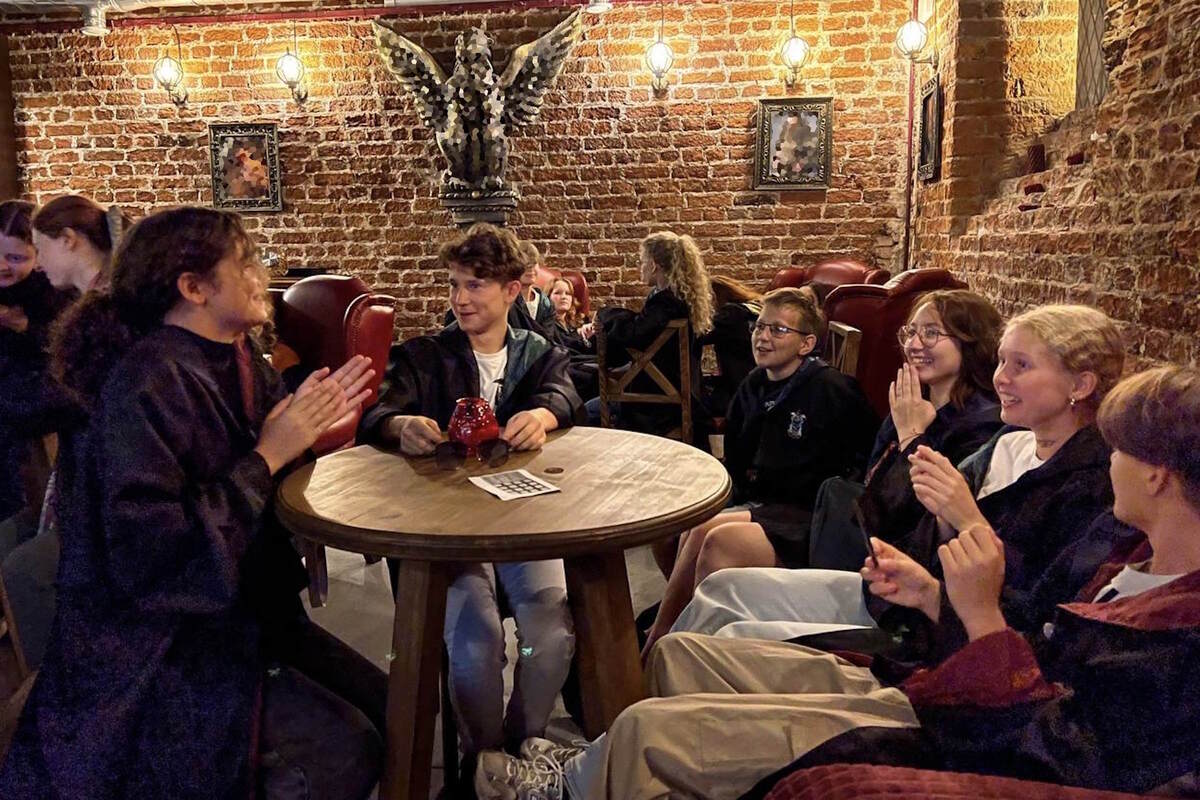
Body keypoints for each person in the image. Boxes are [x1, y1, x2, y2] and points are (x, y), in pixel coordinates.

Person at [475, 365, 1200, 800]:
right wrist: (932, 593)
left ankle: (578, 783)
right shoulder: (1124, 558)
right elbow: (886, 510)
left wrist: (974, 610)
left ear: (1158, 476)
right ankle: (603, 768)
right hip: (936, 673)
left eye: (1121, 449)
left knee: (651, 722)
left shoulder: (1175, 624)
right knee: (679, 652)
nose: (1108, 459)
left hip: (944, 733)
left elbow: (1051, 753)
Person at [0, 207, 386, 800]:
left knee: (392, 706)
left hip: (246, 615)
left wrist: (306, 436)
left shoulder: (239, 356)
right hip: (159, 647)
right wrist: (269, 455)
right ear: (194, 288)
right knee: (345, 753)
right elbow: (153, 559)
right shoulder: (147, 381)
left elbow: (271, 465)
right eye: (246, 263)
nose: (262, 276)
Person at [669, 304, 1125, 652]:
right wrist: (937, 516)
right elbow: (894, 510)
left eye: (1020, 365)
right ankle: (650, 672)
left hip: (926, 628)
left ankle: (658, 689)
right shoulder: (1010, 441)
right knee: (721, 588)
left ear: (1080, 385)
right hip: (896, 584)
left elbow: (1028, 607)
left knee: (727, 626)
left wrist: (952, 502)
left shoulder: (1090, 482)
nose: (1001, 378)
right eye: (1002, 361)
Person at [358, 223, 582, 766]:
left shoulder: (539, 353)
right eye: (454, 284)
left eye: (475, 285)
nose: (460, 298)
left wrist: (544, 414)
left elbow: (565, 392)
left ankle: (521, 746)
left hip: (523, 521)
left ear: (511, 290)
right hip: (449, 528)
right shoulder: (425, 355)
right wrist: (399, 425)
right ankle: (484, 758)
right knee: (476, 643)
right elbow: (378, 409)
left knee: (550, 635)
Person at [639, 288, 877, 656]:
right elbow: (736, 459)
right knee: (670, 527)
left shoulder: (832, 389)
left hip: (808, 515)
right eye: (760, 327)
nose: (763, 337)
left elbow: (865, 462)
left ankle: (665, 640)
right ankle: (687, 619)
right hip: (764, 502)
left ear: (806, 344)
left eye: (778, 330)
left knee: (708, 535)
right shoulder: (754, 384)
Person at [1, 195, 126, 670]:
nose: (35, 264)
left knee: (23, 569)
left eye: (35, 249)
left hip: (113, 486)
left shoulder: (105, 310)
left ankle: (62, 684)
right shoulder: (92, 301)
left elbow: (60, 397)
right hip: (88, 472)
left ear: (68, 241)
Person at [583, 231, 714, 436]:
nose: (640, 267)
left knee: (582, 412)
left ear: (653, 265)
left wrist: (604, 314)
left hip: (656, 407)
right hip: (674, 397)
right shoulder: (680, 299)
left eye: (642, 261)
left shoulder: (666, 302)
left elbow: (634, 334)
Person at [0, 200, 73, 523]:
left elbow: (65, 350)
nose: (2, 266)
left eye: (15, 258)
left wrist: (23, 326)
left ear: (39, 256)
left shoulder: (54, 288)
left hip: (40, 390)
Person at [31, 194, 124, 294]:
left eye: (39, 248)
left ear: (67, 239)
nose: (37, 265)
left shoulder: (115, 298)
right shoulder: (120, 289)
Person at [697, 275, 761, 416]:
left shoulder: (729, 314)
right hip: (756, 382)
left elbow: (700, 339)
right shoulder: (751, 310)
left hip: (739, 389)